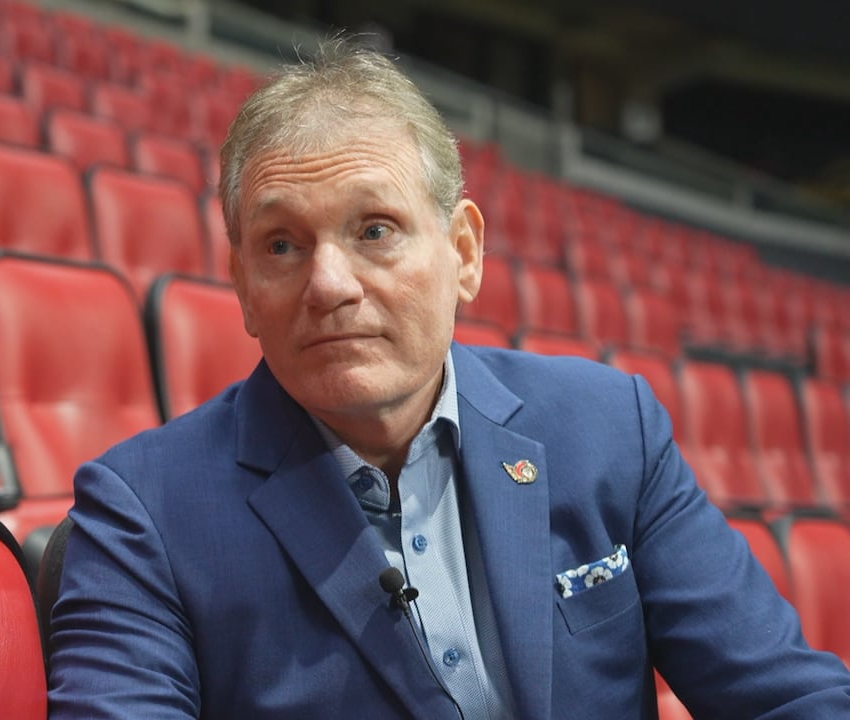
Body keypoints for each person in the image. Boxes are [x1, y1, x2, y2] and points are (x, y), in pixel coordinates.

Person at [45, 38, 850, 719]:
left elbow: (785, 699)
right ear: (245, 287)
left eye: (375, 229)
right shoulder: (142, 513)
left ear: (463, 253)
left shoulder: (608, 428)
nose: (329, 284)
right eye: (282, 245)